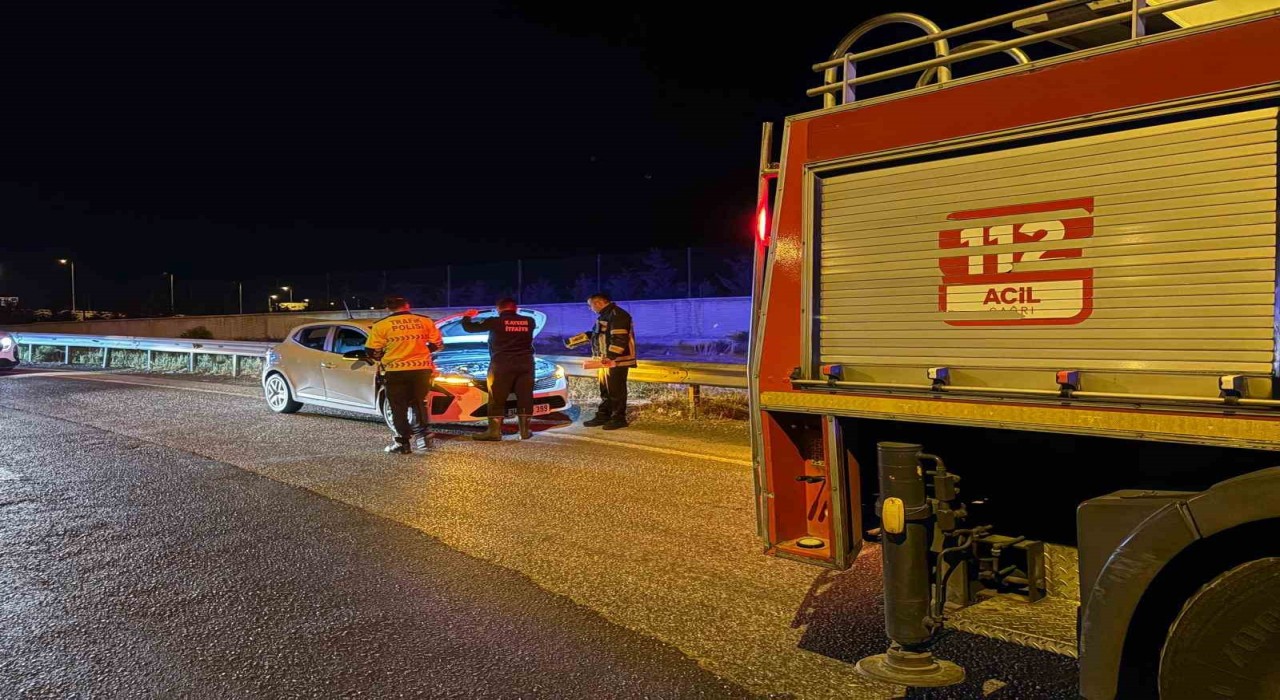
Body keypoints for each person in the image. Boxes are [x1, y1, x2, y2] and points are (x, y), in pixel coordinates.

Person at [364, 296, 442, 454]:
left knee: (398, 406)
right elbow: (438, 344)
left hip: (395, 371)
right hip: (421, 369)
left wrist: (387, 355)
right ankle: (424, 439)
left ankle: (403, 443)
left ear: (388, 308)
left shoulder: (381, 325)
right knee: (419, 403)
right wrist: (420, 352)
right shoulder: (425, 321)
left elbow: (371, 351)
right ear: (407, 305)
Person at [461, 298, 536, 441]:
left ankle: (494, 432)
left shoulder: (495, 321)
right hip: (526, 364)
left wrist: (467, 316)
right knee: (525, 396)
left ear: (498, 309)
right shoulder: (529, 321)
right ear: (516, 308)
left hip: (502, 364)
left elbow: (470, 328)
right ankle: (525, 432)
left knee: (497, 397)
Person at [577, 292, 635, 430]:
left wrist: (611, 356)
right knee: (605, 391)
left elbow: (619, 338)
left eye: (590, 305)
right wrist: (579, 339)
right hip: (605, 360)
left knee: (616, 391)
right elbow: (601, 334)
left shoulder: (617, 315)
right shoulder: (606, 315)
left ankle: (618, 418)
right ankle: (604, 415)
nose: (590, 308)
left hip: (617, 360)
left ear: (598, 303)